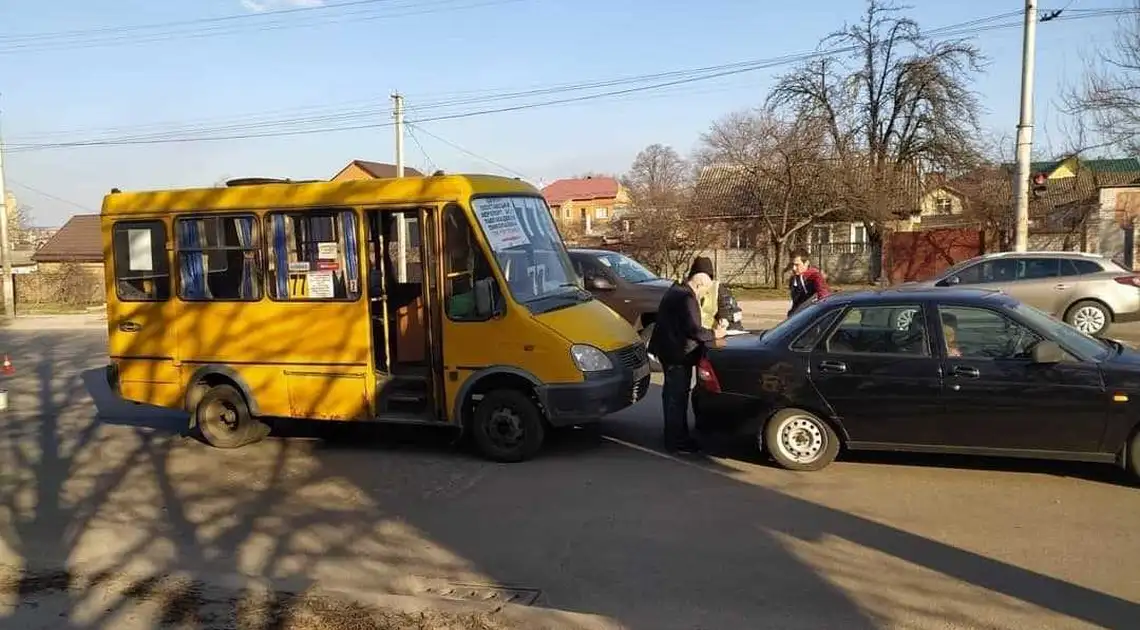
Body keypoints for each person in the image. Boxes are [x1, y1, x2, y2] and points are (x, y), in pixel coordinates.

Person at [649, 258, 727, 454]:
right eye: (704, 290)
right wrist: (714, 334)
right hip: (676, 355)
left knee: (673, 396)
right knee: (677, 397)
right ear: (699, 282)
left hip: (669, 351)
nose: (703, 294)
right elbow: (693, 329)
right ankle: (677, 441)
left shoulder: (677, 290)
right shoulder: (686, 297)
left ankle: (675, 436)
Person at [788, 249, 831, 317]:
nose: (793, 268)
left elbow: (824, 298)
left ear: (807, 263)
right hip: (796, 317)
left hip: (811, 319)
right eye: (792, 264)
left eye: (797, 265)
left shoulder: (815, 277)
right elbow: (796, 302)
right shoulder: (793, 279)